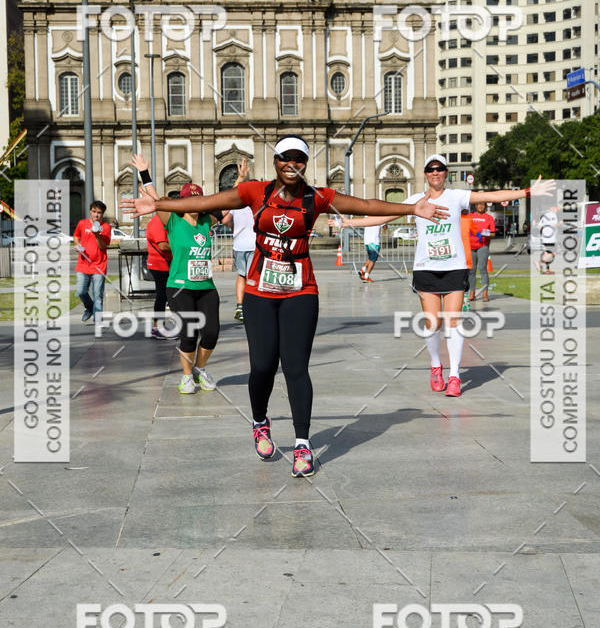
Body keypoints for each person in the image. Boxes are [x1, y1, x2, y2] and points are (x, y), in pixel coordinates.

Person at [121, 136, 450, 477]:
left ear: (305, 163)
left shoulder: (317, 196)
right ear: (275, 160)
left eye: (299, 159)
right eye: (285, 158)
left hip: (300, 291)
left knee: (295, 368)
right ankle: (260, 421)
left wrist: (411, 208)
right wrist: (158, 205)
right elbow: (206, 201)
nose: (291, 164)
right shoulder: (254, 192)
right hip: (260, 292)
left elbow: (365, 204)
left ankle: (303, 443)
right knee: (262, 366)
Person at [341, 154, 554, 397]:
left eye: (440, 169)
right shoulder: (415, 200)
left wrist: (527, 192)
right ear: (425, 174)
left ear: (446, 173)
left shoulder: (457, 196)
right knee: (433, 323)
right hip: (426, 268)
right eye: (431, 169)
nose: (435, 173)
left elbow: (491, 196)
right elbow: (384, 215)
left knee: (454, 322)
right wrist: (351, 223)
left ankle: (454, 375)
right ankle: (435, 365)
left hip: (454, 267)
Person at [132, 156, 221, 394]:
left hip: (206, 287)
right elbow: (156, 200)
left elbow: (228, 205)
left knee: (211, 332)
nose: (193, 203)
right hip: (180, 286)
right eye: (188, 199)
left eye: (197, 199)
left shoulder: (206, 222)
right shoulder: (172, 219)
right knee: (189, 333)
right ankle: (186, 377)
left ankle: (199, 370)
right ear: (181, 201)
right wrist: (145, 173)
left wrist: (242, 179)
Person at [221, 160, 256, 323]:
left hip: (239, 245)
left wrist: (240, 180)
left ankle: (240, 307)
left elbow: (225, 219)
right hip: (256, 245)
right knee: (254, 276)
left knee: (242, 275)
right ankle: (254, 306)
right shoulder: (261, 205)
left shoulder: (238, 205)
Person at [145, 191, 179, 338]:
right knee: (163, 296)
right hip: (160, 265)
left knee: (166, 296)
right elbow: (163, 245)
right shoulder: (157, 222)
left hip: (165, 264)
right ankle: (158, 327)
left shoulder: (164, 220)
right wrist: (181, 248)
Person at [73, 200, 112, 322]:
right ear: (90, 211)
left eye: (99, 213)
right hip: (83, 264)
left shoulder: (106, 227)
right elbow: (76, 236)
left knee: (98, 295)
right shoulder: (82, 223)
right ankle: (89, 308)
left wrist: (97, 234)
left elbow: (102, 246)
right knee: (80, 291)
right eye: (94, 211)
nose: (96, 215)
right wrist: (78, 245)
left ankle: (98, 320)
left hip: (99, 265)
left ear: (102, 214)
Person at [468, 199, 496, 302]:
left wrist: (486, 234)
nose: (480, 207)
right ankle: (472, 293)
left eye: (482, 205)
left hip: (483, 246)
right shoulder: (470, 216)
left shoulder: (489, 218)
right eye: (478, 205)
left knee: (483, 269)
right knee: (471, 271)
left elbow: (493, 234)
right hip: (470, 246)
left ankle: (485, 294)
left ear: (485, 206)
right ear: (475, 206)